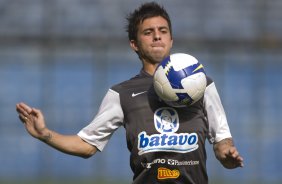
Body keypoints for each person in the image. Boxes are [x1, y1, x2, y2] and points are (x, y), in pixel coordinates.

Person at [16, 2, 243, 183]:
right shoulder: (121, 94)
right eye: (148, 32)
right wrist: (45, 134)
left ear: (171, 40)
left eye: (163, 31)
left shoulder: (201, 83)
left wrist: (228, 157)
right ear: (134, 44)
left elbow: (222, 141)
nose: (157, 36)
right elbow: (86, 146)